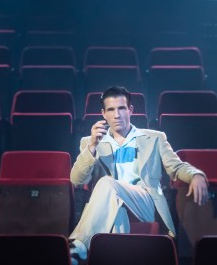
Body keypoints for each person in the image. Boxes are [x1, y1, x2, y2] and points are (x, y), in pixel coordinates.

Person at [68, 85, 209, 264]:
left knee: (106, 182)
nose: (117, 115)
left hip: (144, 203)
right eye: (111, 110)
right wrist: (93, 147)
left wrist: (196, 175)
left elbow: (176, 167)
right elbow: (77, 180)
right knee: (116, 211)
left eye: (121, 108)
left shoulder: (155, 138)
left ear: (130, 110)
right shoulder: (90, 142)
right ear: (103, 114)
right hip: (109, 204)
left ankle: (79, 244)